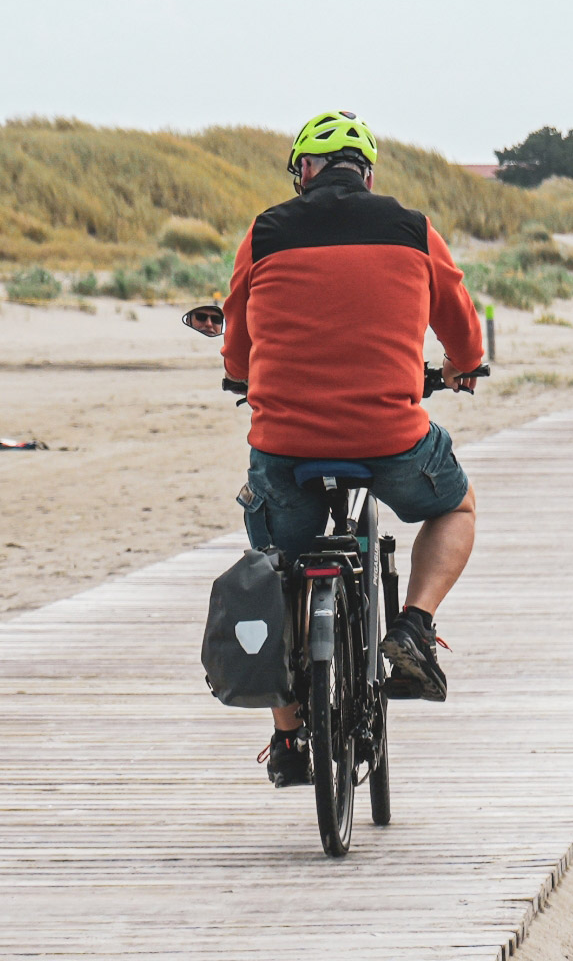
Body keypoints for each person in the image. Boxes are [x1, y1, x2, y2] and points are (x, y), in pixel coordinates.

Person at [220, 110, 484, 787]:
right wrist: (459, 367)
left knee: (276, 570)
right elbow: (462, 327)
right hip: (389, 438)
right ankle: (415, 626)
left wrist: (244, 376)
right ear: (366, 174)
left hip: (285, 446)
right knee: (455, 506)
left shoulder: (267, 232)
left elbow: (239, 342)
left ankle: (286, 742)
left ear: (303, 171)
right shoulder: (412, 230)